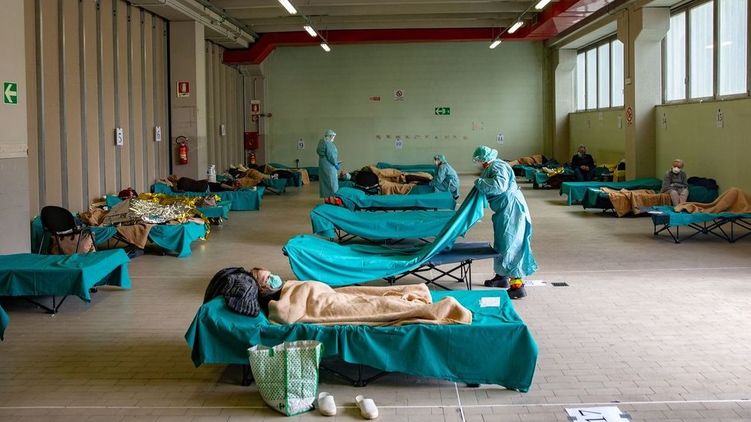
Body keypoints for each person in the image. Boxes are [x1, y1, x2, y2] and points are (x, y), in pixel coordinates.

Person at [472, 146, 538, 299]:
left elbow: (498, 186)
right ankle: (501, 276)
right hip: (504, 210)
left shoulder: (498, 166)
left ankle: (517, 286)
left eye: (478, 160)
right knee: (502, 243)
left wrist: (480, 182)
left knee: (511, 244)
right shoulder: (492, 166)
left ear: (484, 159)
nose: (477, 163)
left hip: (512, 210)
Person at [317, 129, 340, 199]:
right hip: (329, 165)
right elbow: (331, 156)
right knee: (332, 182)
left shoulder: (321, 142)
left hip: (322, 164)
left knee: (324, 182)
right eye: (333, 136)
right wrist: (336, 164)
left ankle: (326, 198)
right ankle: (333, 199)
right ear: (330, 136)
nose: (333, 138)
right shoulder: (329, 143)